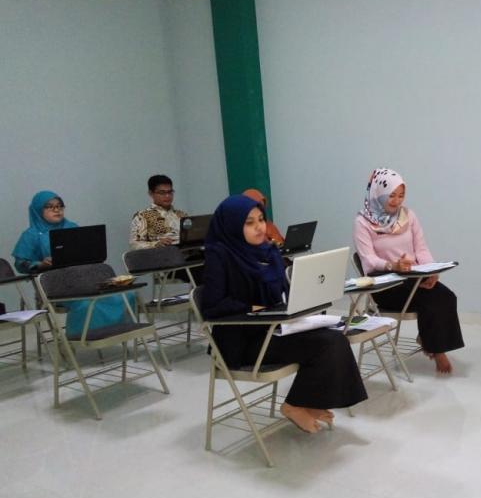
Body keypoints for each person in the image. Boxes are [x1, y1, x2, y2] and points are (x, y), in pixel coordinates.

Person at [200, 195, 367, 433]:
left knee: (336, 338)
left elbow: (282, 293)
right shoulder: (219, 255)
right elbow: (212, 306)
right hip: (243, 341)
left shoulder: (267, 252)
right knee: (325, 345)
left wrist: (301, 300)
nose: (259, 227)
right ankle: (295, 405)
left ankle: (311, 401)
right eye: (249, 222)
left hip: (274, 327)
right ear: (232, 225)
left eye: (261, 219)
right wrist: (250, 307)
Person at [353, 168, 464, 374]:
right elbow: (368, 260)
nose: (396, 201)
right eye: (391, 195)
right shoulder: (363, 222)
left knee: (447, 297)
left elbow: (421, 249)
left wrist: (431, 271)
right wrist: (392, 265)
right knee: (429, 300)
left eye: (401, 195)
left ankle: (430, 341)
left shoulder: (408, 216)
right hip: (384, 283)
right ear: (378, 193)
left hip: (412, 277)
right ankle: (436, 350)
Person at [12, 191, 133, 337]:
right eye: (50, 207)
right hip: (56, 286)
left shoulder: (72, 227)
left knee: (126, 296)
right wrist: (40, 264)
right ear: (38, 210)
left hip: (84, 280)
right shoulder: (31, 235)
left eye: (60, 206)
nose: (57, 210)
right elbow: (20, 264)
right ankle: (81, 339)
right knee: (85, 304)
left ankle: (114, 333)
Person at [129, 175, 188, 249]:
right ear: (151, 193)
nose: (167, 196)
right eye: (162, 193)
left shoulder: (182, 215)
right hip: (161, 254)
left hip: (187, 252)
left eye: (170, 192)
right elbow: (134, 244)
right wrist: (156, 244)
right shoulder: (143, 216)